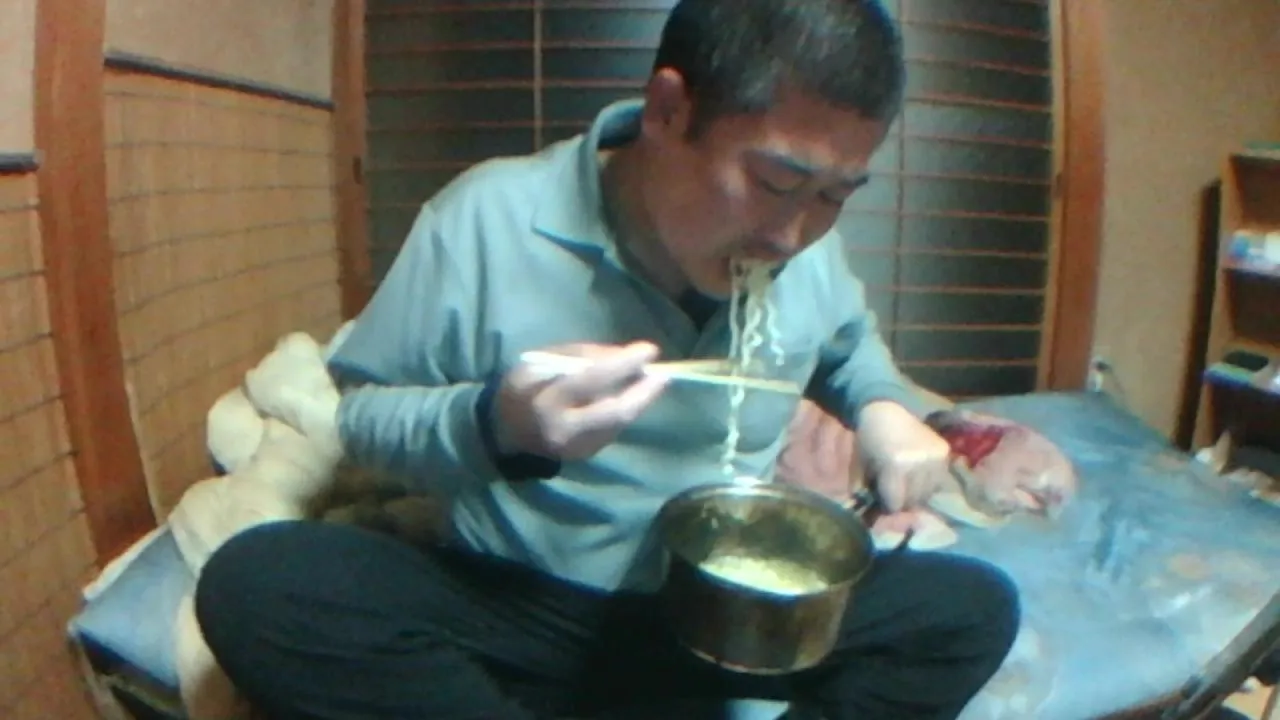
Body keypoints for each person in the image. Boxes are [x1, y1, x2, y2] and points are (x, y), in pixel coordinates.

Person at [194, 1, 1020, 718]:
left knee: (972, 609)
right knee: (260, 584)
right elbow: (363, 416)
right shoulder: (487, 219)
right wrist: (496, 423)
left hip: (731, 618)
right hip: (522, 603)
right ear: (668, 110)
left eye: (835, 196)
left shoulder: (806, 255)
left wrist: (881, 405)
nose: (791, 235)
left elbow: (848, 346)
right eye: (776, 182)